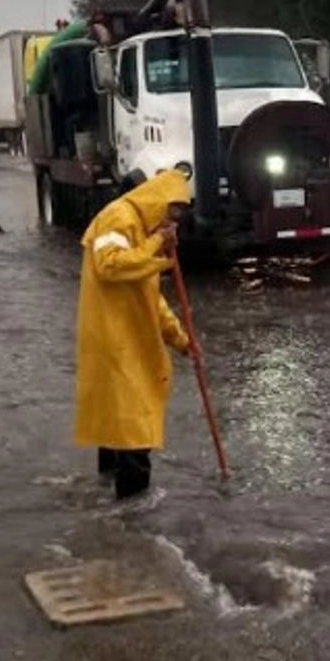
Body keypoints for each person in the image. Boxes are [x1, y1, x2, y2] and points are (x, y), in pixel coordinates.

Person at [75, 170, 194, 499]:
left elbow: (150, 298)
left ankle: (109, 508)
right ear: (157, 201)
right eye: (172, 215)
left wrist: (181, 340)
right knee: (133, 427)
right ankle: (134, 516)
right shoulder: (118, 217)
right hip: (116, 342)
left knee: (117, 423)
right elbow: (109, 265)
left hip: (125, 342)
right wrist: (158, 246)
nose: (173, 225)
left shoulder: (141, 232)